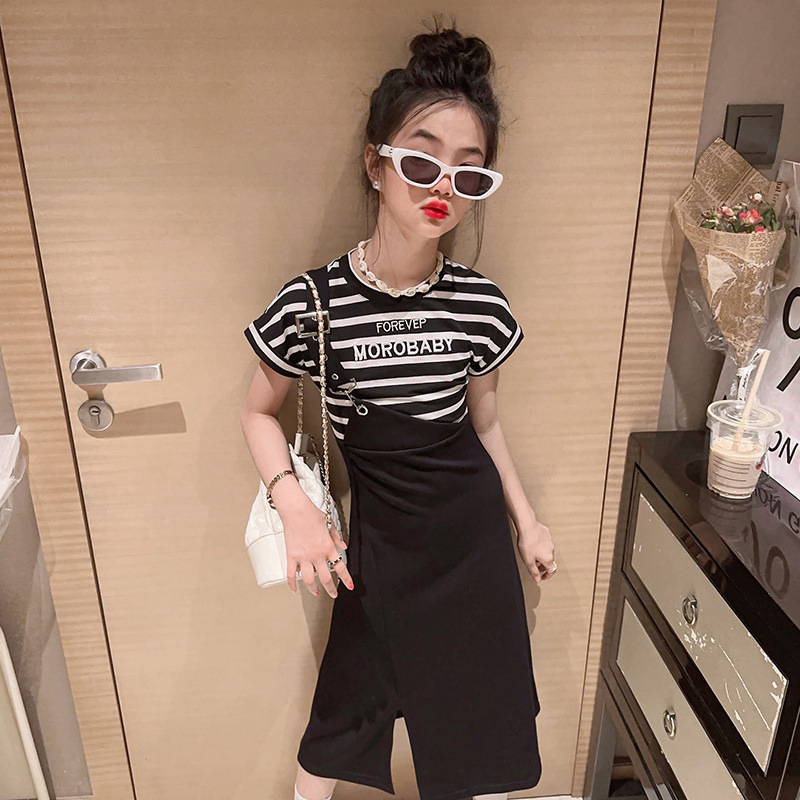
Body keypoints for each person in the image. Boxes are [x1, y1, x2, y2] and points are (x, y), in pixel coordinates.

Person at [240, 18, 556, 800]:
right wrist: (293, 506)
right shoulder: (312, 303)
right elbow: (256, 413)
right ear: (375, 164)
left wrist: (526, 522)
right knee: (340, 723)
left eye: (469, 174)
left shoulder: (480, 305)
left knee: (479, 728)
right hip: (378, 551)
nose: (443, 187)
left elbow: (485, 425)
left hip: (472, 549)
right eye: (421, 161)